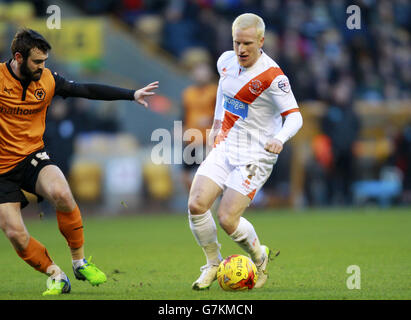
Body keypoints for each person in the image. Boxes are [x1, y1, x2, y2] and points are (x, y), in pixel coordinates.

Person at [0, 29, 158, 296]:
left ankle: (79, 262)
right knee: (15, 232)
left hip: (31, 157)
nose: (43, 67)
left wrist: (131, 94)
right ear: (18, 57)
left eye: (45, 61)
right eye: (37, 62)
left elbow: (85, 89)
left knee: (62, 192)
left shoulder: (47, 80)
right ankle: (56, 274)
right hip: (1, 171)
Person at [187, 13, 303, 290]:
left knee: (227, 218)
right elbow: (223, 90)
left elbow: (295, 116)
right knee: (196, 204)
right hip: (228, 144)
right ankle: (213, 263)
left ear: (261, 41)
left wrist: (280, 138)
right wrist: (217, 123)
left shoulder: (273, 77)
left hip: (257, 154)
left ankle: (259, 257)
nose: (241, 49)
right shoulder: (226, 61)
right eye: (237, 42)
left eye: (248, 43)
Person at [181, 62, 217, 191]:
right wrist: (180, 128)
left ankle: (210, 201)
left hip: (209, 140)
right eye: (197, 72)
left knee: (209, 174)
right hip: (192, 139)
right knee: (185, 176)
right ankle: (194, 200)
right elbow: (184, 114)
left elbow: (224, 113)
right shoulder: (188, 93)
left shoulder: (215, 91)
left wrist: (210, 118)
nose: (200, 75)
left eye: (203, 71)